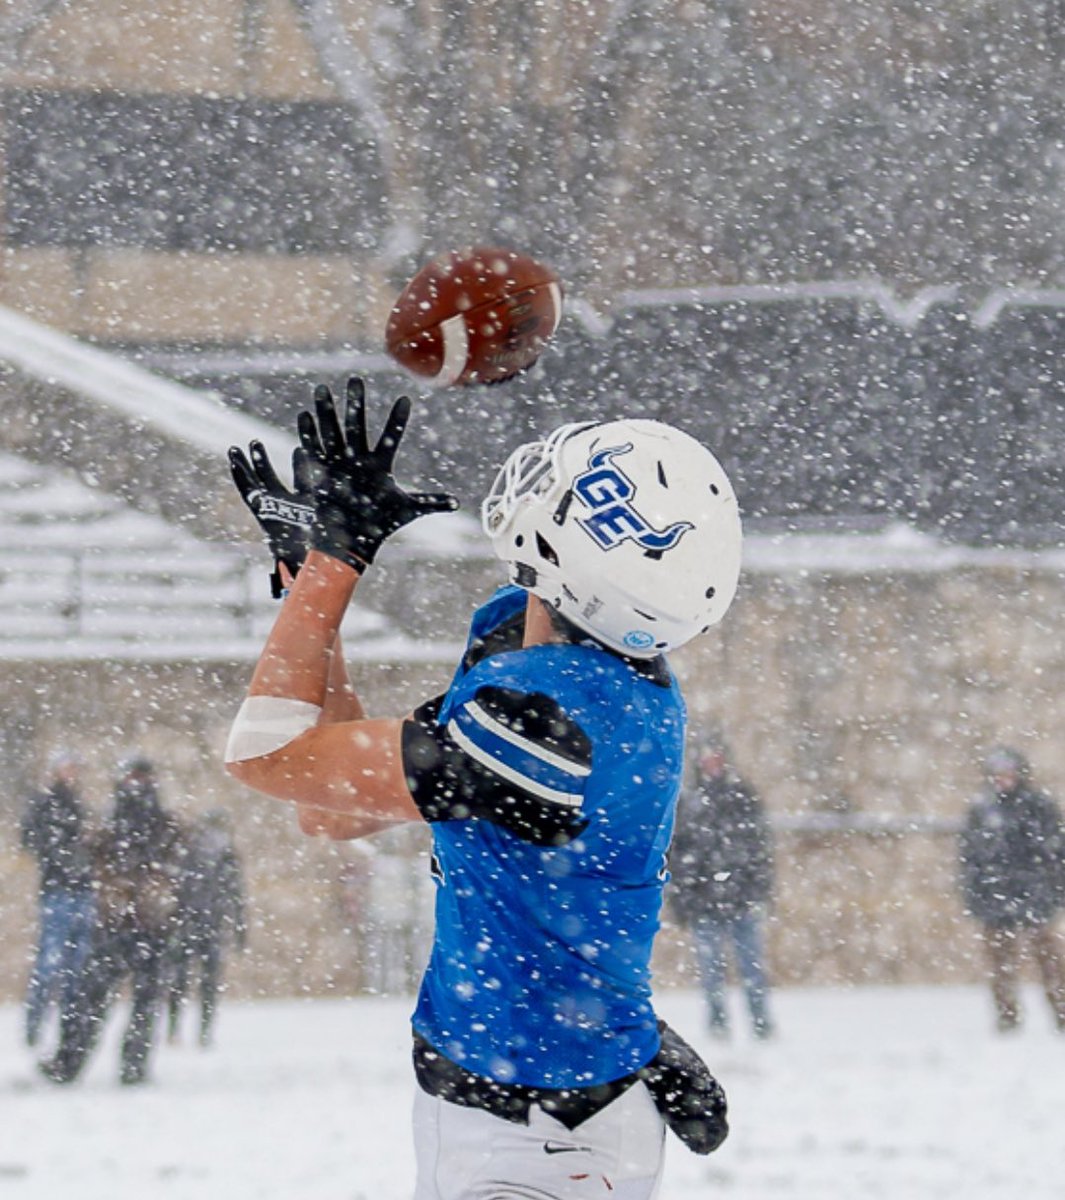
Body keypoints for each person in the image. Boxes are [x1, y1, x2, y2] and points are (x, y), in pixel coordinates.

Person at [224, 377, 741, 1196]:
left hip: (542, 1132)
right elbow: (331, 813)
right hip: (513, 1097)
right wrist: (307, 580)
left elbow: (265, 755)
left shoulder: (539, 719)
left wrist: (335, 565)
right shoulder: (550, 658)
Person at [39, 755, 187, 1085]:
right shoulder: (115, 826)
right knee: (92, 999)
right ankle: (72, 1063)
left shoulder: (162, 827)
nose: (137, 786)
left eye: (141, 779)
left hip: (147, 925)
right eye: (132, 779)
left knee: (136, 1003)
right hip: (116, 923)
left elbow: (173, 874)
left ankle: (124, 1066)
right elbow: (85, 859)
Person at [669, 741, 775, 1040]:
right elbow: (677, 853)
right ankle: (718, 1024)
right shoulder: (687, 803)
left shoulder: (742, 796)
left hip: (741, 899)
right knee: (711, 970)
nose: (712, 765)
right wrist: (682, 898)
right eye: (707, 759)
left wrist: (759, 888)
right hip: (704, 902)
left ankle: (761, 1022)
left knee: (751, 967)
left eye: (716, 758)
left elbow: (759, 847)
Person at [958, 745, 1065, 1033]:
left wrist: (1053, 889)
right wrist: (976, 893)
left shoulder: (1039, 806)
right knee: (1000, 962)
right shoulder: (983, 810)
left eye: (1008, 773)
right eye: (997, 774)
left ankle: (1061, 1012)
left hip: (1035, 895)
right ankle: (1007, 1015)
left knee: (1049, 959)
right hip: (995, 897)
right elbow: (971, 857)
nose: (1003, 779)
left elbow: (1056, 852)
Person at [19, 748, 96, 1049]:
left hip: (80, 889)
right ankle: (35, 1023)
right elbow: (31, 839)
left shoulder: (78, 804)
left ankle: (67, 1025)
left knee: (75, 966)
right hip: (57, 890)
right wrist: (62, 852)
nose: (72, 773)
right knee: (50, 963)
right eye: (68, 767)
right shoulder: (47, 803)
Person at [167, 808, 247, 1047]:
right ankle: (201, 1032)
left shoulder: (192, 850)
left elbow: (177, 888)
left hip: (191, 921)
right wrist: (239, 928)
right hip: (208, 922)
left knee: (183, 980)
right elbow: (236, 895)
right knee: (205, 982)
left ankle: (178, 1030)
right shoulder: (223, 855)